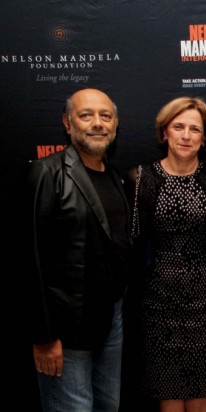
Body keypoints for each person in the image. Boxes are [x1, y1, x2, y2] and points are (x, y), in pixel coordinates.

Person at [25, 88, 132, 411]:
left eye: (105, 116)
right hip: (66, 328)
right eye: (86, 115)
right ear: (68, 124)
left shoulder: (115, 176)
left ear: (115, 125)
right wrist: (43, 337)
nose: (97, 123)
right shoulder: (47, 173)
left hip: (110, 320)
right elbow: (30, 259)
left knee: (107, 405)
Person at [126, 96, 206, 412]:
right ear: (164, 132)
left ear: (205, 137)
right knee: (167, 391)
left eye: (194, 129)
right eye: (178, 127)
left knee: (201, 390)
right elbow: (133, 244)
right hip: (158, 302)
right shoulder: (141, 178)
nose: (186, 136)